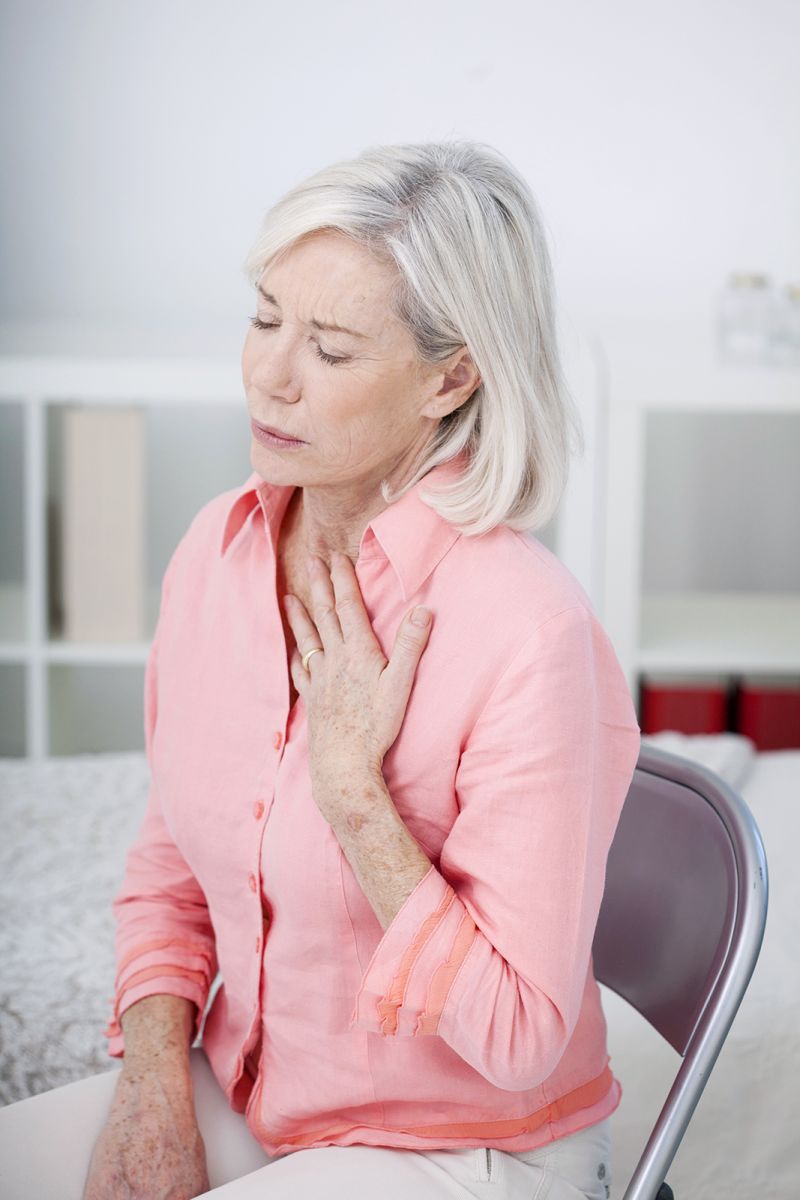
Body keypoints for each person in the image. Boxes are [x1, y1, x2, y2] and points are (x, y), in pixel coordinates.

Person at [0, 139, 640, 1200]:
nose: (269, 373)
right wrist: (156, 1077)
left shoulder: (530, 633)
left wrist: (353, 796)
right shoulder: (220, 547)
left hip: (465, 1147)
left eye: (332, 351)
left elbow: (522, 1036)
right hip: (268, 1100)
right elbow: (171, 864)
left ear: (451, 375)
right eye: (263, 319)